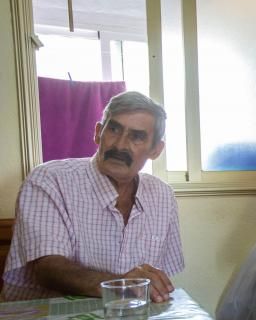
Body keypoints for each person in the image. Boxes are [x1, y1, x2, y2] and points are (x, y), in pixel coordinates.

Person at [2, 91, 184, 303]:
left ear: (156, 150)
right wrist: (122, 286)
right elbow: (48, 269)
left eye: (136, 136)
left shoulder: (163, 196)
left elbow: (160, 277)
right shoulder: (49, 180)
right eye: (114, 129)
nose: (120, 145)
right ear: (98, 133)